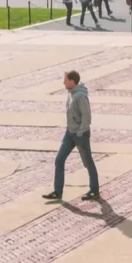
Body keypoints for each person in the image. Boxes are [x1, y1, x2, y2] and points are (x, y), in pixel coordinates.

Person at [42, 70, 100, 202]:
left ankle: (94, 190)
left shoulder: (80, 96)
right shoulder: (70, 94)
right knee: (59, 160)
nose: (63, 82)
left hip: (80, 135)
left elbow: (87, 116)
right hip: (69, 133)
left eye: (65, 80)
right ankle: (57, 192)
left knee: (88, 162)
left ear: (72, 81)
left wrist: (81, 131)